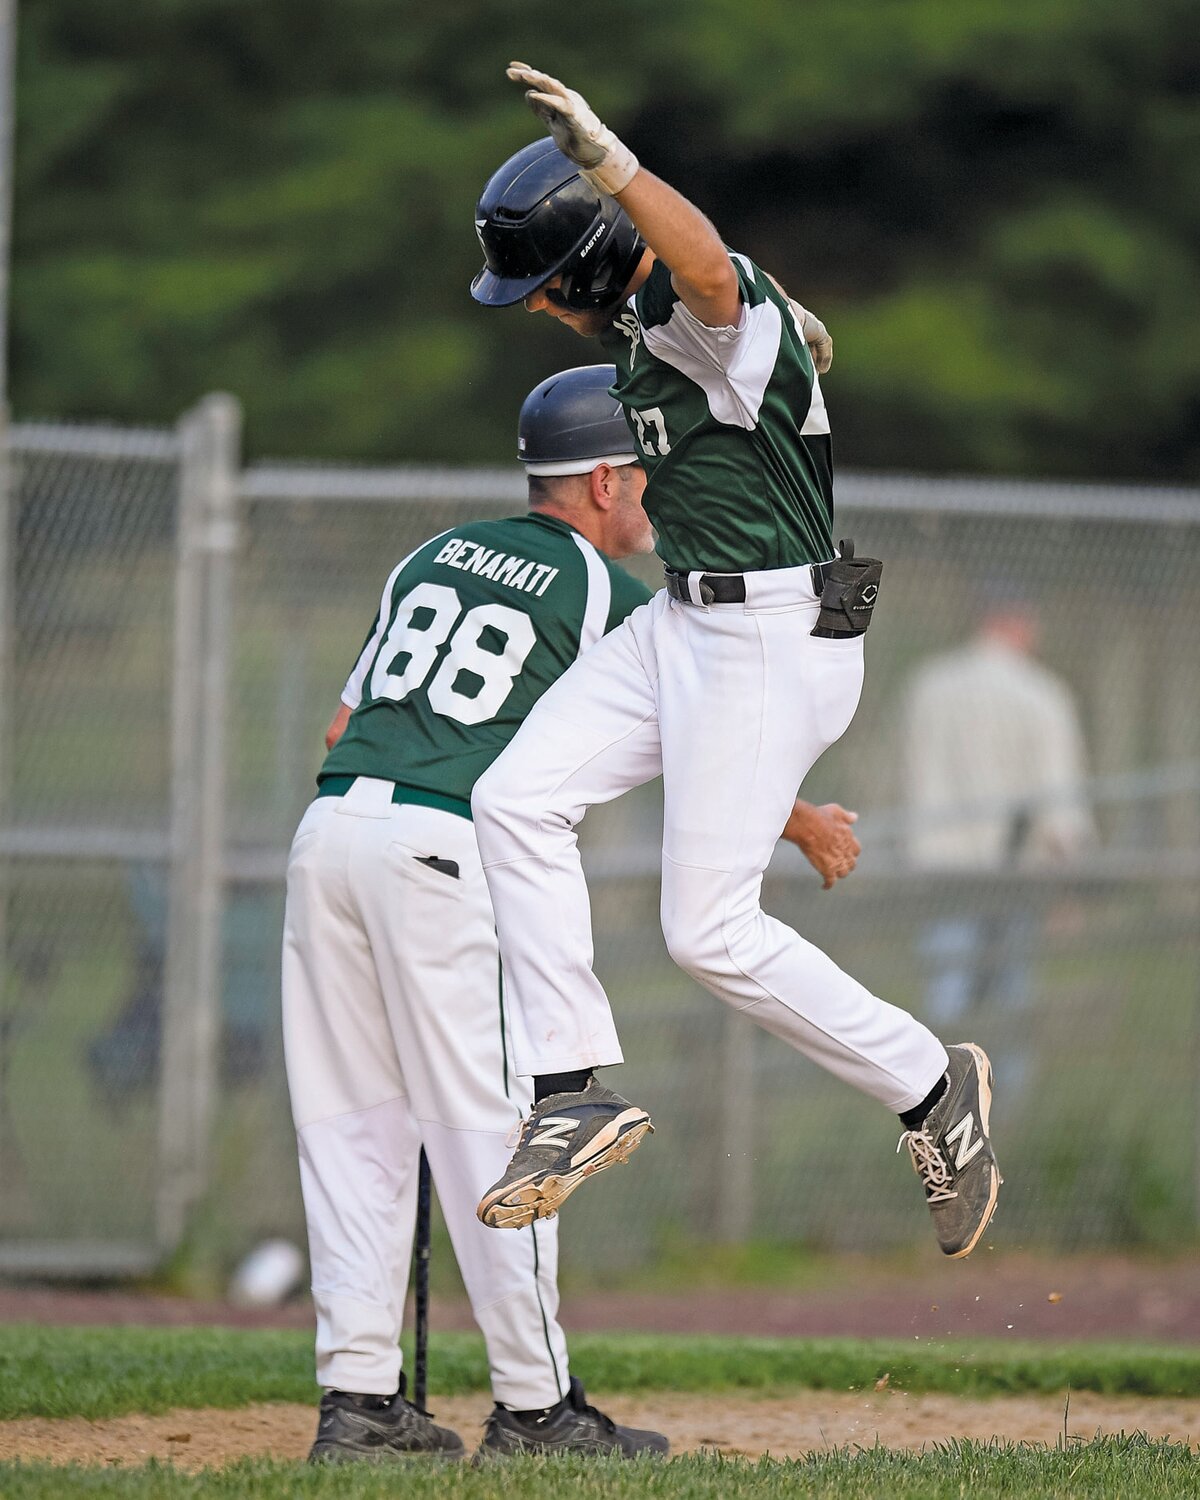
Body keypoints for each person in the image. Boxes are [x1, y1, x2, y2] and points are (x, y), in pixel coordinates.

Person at [467, 62, 1001, 1260]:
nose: (544, 312)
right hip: (688, 623)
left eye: (548, 287)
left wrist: (609, 161)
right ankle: (570, 1095)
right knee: (516, 798)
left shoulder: (705, 310)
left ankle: (931, 1085)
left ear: (599, 252)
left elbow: (712, 272)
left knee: (706, 932)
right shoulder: (672, 335)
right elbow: (737, 317)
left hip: (767, 636)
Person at [281, 364, 860, 1466]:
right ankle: (539, 1412)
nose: (662, 488)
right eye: (649, 467)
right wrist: (807, 823)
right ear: (603, 482)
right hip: (444, 856)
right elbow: (709, 718)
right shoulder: (600, 589)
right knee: (504, 1138)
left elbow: (339, 727)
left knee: (353, 1134)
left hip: (331, 840)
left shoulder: (434, 554)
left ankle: (358, 1408)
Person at [903, 596, 1096, 1087]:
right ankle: (1004, 1116)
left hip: (940, 866)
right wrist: (1066, 885)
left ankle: (933, 1104)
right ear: (1019, 623)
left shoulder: (930, 685)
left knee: (946, 992)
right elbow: (1059, 803)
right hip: (1013, 871)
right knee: (1012, 998)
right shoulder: (1041, 693)